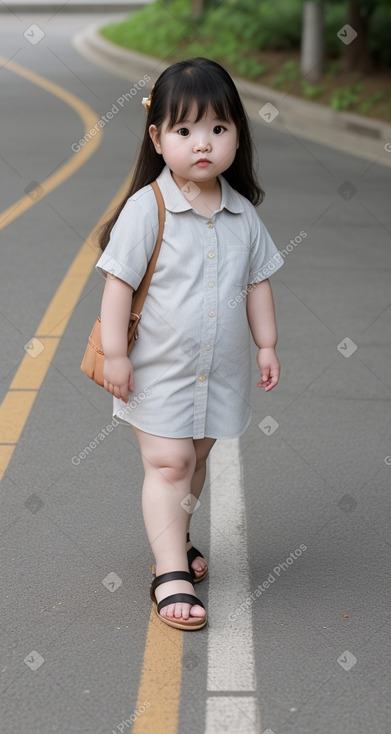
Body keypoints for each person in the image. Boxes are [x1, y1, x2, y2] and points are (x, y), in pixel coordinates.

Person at [94, 57, 284, 631]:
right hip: (155, 370)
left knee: (195, 458)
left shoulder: (242, 215)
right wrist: (117, 355)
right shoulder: (146, 209)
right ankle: (170, 571)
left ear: (236, 137)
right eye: (184, 131)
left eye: (218, 129)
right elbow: (117, 286)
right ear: (157, 138)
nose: (202, 144)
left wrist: (267, 345)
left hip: (216, 371)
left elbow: (258, 283)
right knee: (170, 459)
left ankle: (173, 537)